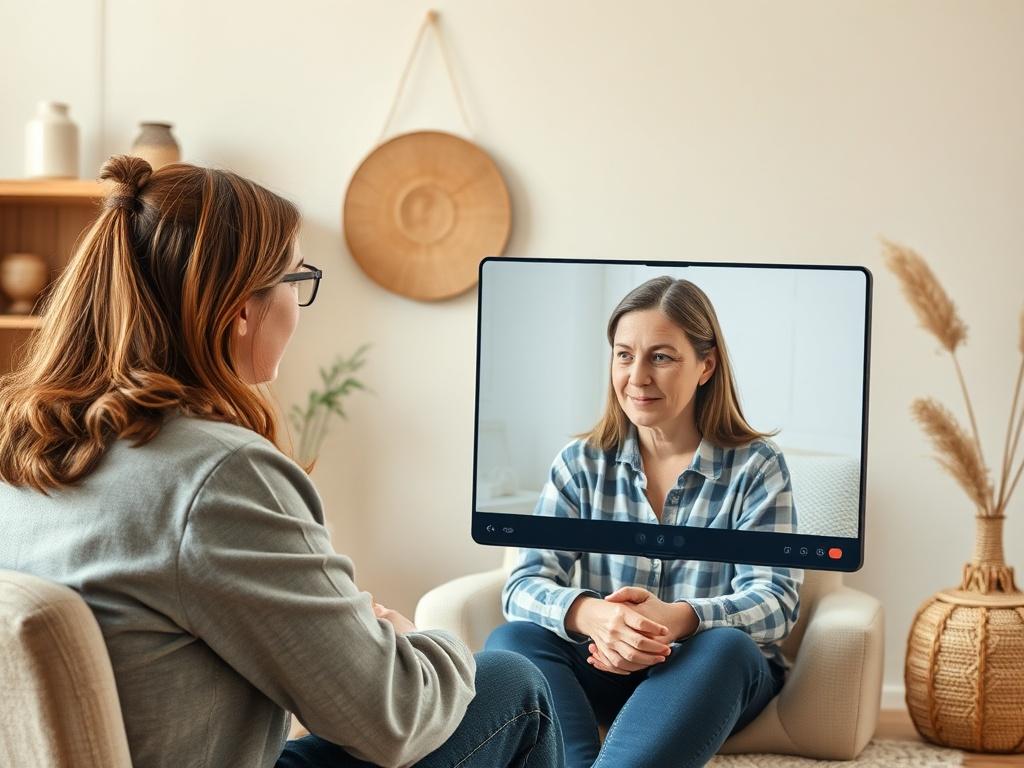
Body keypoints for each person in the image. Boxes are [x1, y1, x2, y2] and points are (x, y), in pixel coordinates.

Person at [0, 155, 562, 768]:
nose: (298, 305)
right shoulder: (217, 474)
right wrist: (421, 643)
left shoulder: (28, 446)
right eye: (297, 281)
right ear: (243, 308)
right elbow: (391, 720)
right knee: (512, 683)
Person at [485, 276, 803, 768]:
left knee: (727, 647)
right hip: (601, 665)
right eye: (624, 354)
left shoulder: (756, 466)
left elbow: (777, 602)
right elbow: (524, 584)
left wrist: (679, 619)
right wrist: (594, 616)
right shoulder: (579, 463)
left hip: (701, 675)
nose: (637, 377)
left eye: (661, 356)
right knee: (514, 640)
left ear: (706, 365)